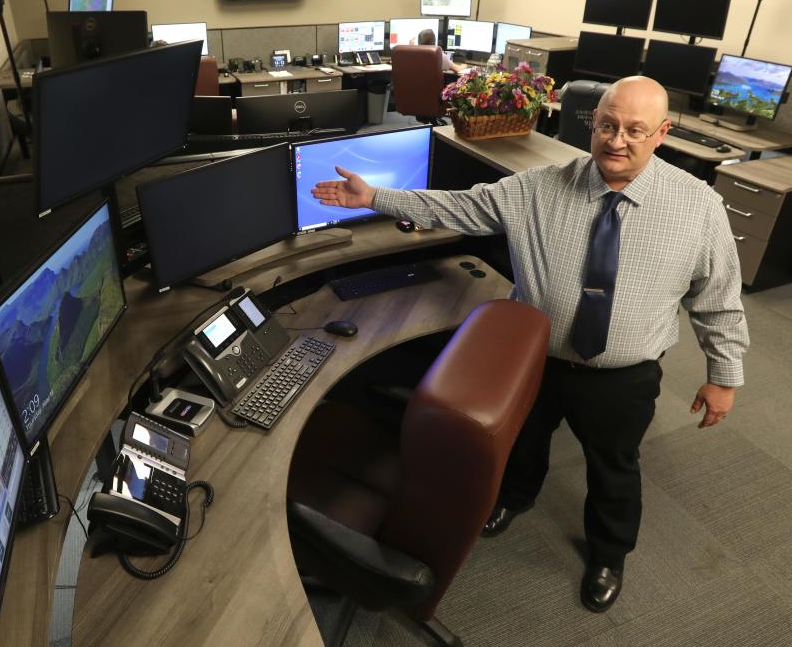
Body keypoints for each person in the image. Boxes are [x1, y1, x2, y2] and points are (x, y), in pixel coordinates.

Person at [311, 76, 748, 613]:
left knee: (614, 467)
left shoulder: (698, 206)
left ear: (661, 133)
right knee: (523, 442)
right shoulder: (537, 188)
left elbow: (720, 297)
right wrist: (375, 196)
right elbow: (458, 207)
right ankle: (516, 499)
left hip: (622, 376)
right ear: (594, 124)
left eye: (635, 130)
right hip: (534, 360)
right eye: (608, 125)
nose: (617, 140)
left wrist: (724, 375)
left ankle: (609, 553)